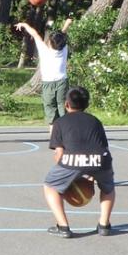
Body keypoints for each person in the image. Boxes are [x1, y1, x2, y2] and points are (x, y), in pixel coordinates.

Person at [42, 86, 114, 238]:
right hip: (102, 159)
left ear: (66, 104)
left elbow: (59, 153)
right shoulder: (95, 121)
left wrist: (67, 175)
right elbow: (102, 146)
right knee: (108, 189)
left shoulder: (60, 123)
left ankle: (63, 226)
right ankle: (104, 225)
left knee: (50, 186)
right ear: (87, 105)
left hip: (73, 160)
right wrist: (92, 175)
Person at [15, 17, 73, 132]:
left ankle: (54, 138)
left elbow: (35, 34)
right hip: (62, 82)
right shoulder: (64, 49)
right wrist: (67, 23)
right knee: (63, 109)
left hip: (48, 84)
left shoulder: (44, 50)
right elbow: (62, 35)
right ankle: (67, 134)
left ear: (50, 44)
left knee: (51, 112)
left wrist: (24, 25)